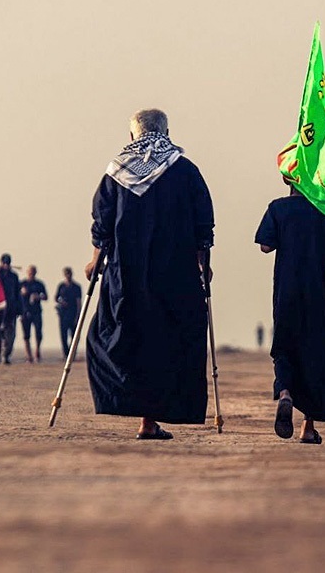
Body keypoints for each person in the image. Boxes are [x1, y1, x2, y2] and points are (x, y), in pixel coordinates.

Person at [85, 108, 214, 440]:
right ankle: (150, 419)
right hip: (176, 276)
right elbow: (204, 225)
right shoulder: (185, 171)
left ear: (132, 136)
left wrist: (95, 260)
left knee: (122, 339)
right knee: (169, 342)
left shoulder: (116, 173)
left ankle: (143, 417)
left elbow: (102, 227)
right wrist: (204, 263)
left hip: (125, 277)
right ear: (167, 133)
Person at [256, 181, 325, 445]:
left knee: (285, 348)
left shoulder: (277, 208)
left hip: (287, 293)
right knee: (319, 354)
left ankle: (285, 393)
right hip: (319, 294)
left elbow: (265, 246)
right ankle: (308, 427)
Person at [0, 253, 22, 364]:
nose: (6, 264)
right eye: (4, 262)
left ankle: (6, 355)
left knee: (10, 335)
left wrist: (20, 309)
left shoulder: (13, 276)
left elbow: (17, 293)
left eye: (7, 262)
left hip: (10, 309)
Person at [20, 265, 48, 363]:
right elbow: (16, 296)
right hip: (25, 312)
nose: (31, 273)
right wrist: (22, 292)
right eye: (30, 272)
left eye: (33, 272)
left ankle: (37, 352)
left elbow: (45, 297)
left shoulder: (39, 284)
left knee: (38, 333)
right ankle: (29, 355)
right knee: (26, 335)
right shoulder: (22, 283)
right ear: (27, 272)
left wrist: (38, 297)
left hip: (36, 312)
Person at [55, 266, 83, 359]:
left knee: (74, 335)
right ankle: (66, 354)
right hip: (63, 314)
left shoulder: (76, 287)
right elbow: (56, 298)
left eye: (69, 273)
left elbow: (79, 302)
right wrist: (61, 302)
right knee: (63, 335)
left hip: (73, 313)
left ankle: (72, 353)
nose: (67, 275)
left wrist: (78, 316)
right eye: (66, 273)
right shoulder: (61, 286)